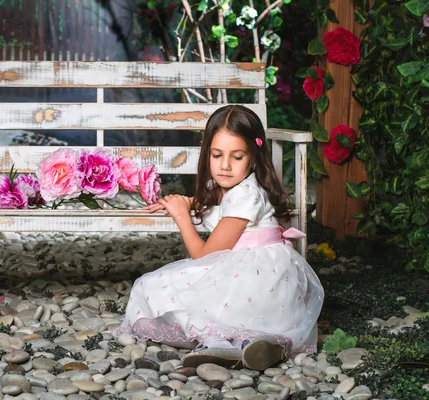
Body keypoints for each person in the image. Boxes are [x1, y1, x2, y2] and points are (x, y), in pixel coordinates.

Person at [116, 105, 324, 370]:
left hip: (256, 282)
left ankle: (225, 343)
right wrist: (183, 202)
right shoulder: (234, 186)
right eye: (217, 155)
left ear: (254, 157)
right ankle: (253, 344)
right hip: (266, 282)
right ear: (207, 154)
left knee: (151, 287)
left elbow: (204, 256)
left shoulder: (246, 196)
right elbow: (212, 200)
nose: (225, 166)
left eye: (236, 157)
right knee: (184, 297)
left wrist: (182, 216)